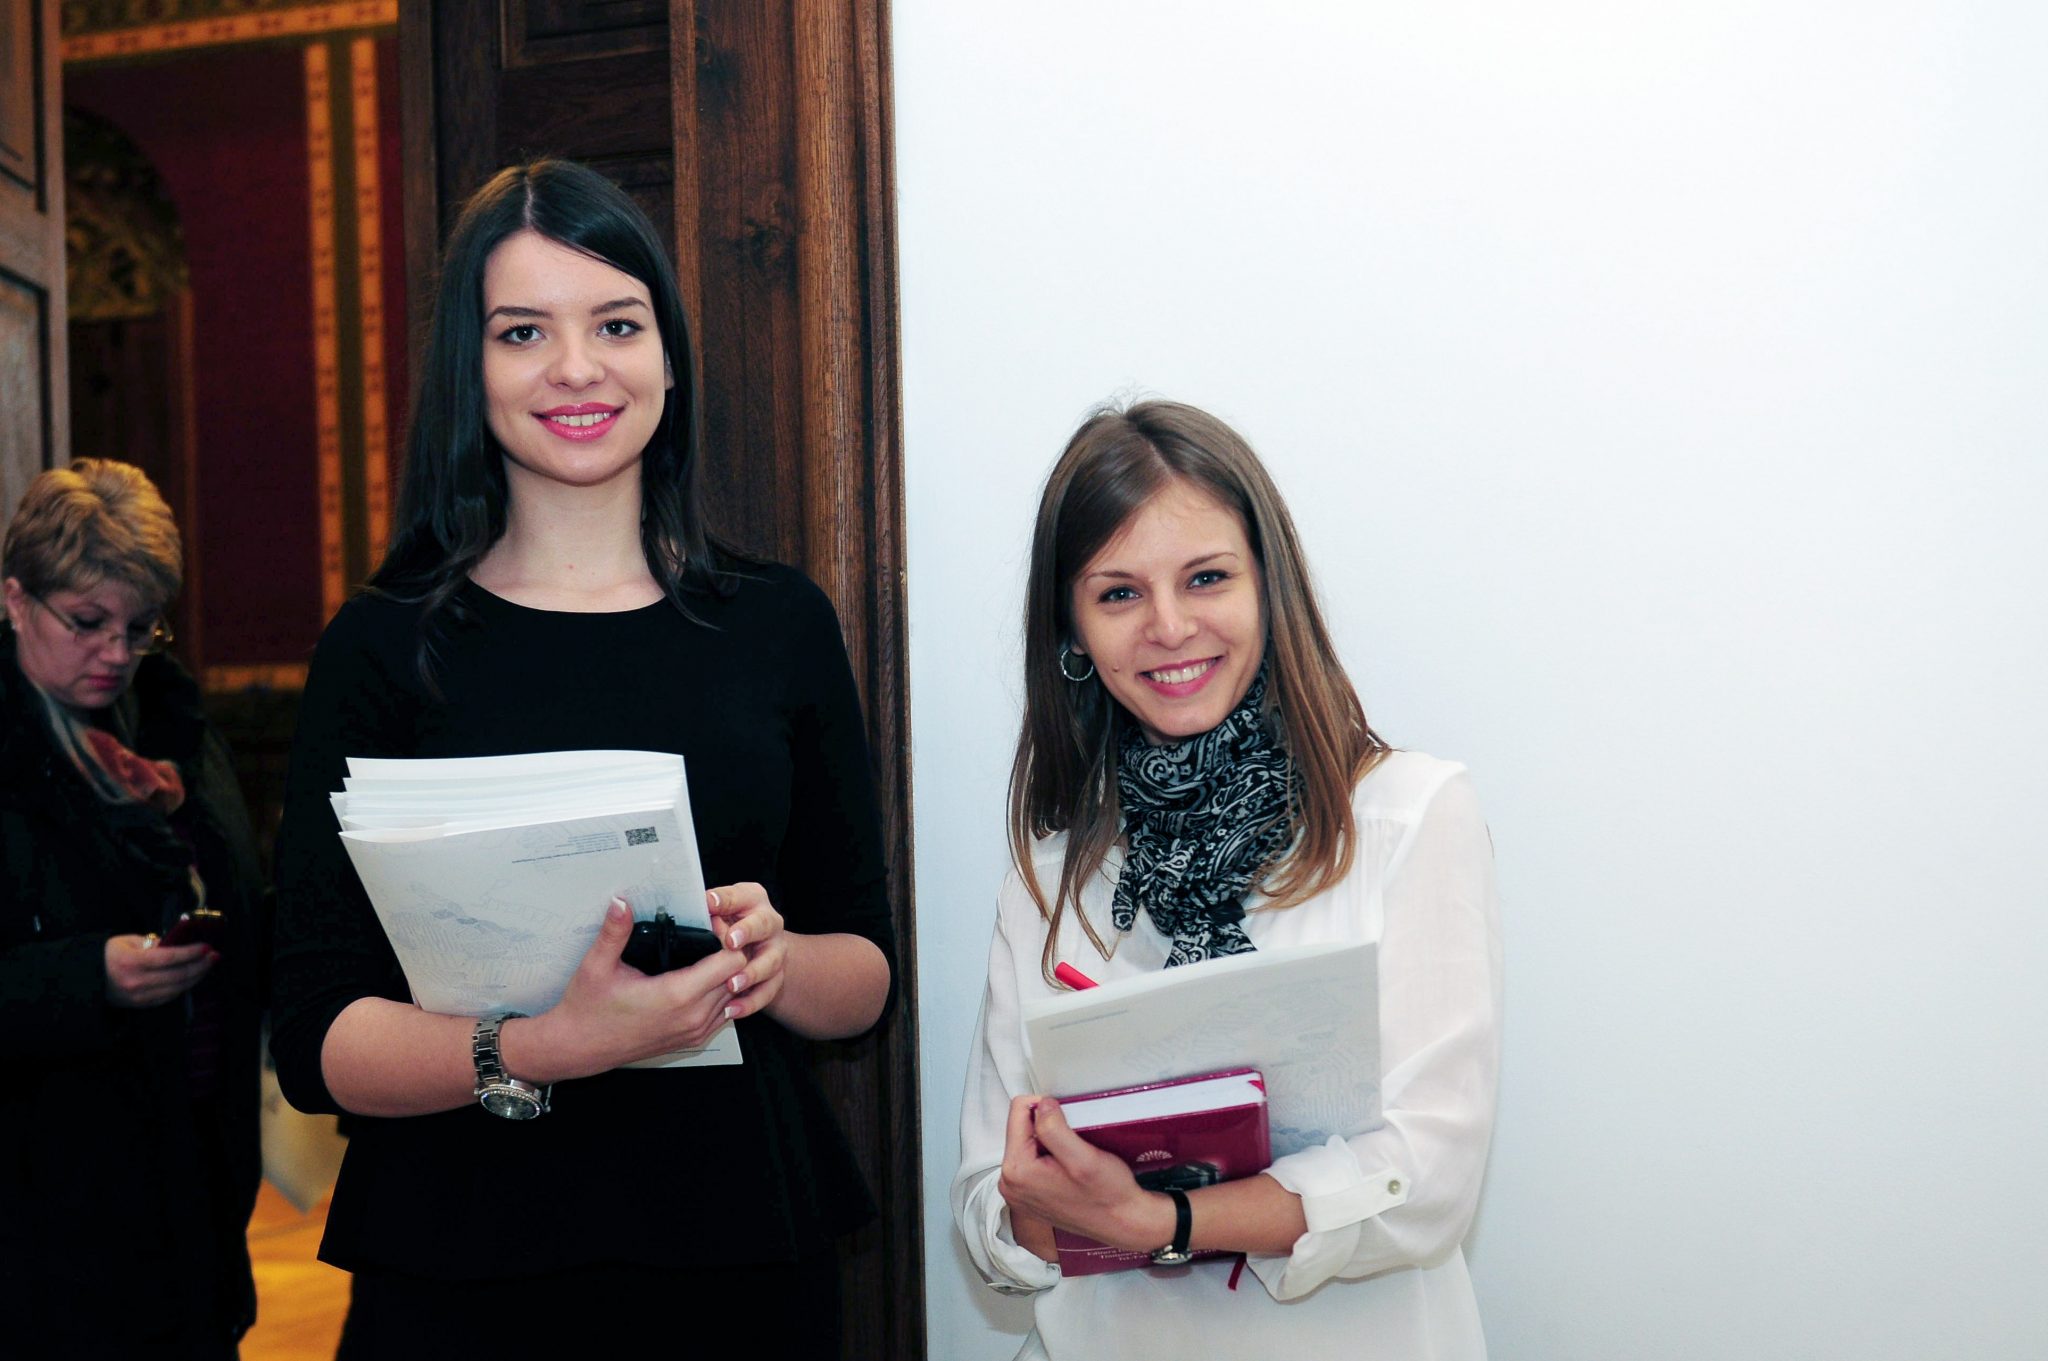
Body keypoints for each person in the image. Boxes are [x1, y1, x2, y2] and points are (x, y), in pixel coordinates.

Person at [269, 159, 895, 1356]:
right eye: (523, 331)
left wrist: (772, 962)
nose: (576, 367)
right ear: (470, 368)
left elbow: (863, 971)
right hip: (460, 1257)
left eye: (616, 323)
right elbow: (315, 1034)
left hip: (735, 1243)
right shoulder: (380, 647)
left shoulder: (777, 624)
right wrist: (546, 1046)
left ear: (668, 355)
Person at [953, 401, 1503, 1359]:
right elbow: (987, 1216)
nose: (1169, 627)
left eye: (1206, 577)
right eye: (1118, 593)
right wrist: (1040, 1202)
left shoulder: (1407, 817)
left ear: (1268, 588)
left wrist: (1160, 1220)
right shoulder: (1048, 877)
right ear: (1073, 630)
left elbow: (1428, 1178)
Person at [0, 459, 266, 1359]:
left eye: (140, 626)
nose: (116, 652)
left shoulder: (172, 724)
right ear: (15, 599)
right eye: (87, 623)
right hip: (42, 1217)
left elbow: (239, 894)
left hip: (190, 1176)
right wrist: (89, 976)